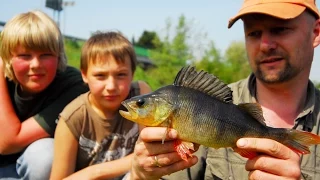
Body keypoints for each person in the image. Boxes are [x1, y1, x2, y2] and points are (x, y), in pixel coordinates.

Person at [127, 0, 320, 179]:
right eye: (253, 33)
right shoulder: (213, 103)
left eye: (280, 29)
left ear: (316, 32)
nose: (265, 45)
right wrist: (138, 175)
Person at [50, 31, 152, 180]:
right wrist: (95, 173)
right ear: (84, 75)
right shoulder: (72, 118)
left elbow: (150, 153)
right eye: (100, 76)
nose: (111, 86)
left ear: (133, 74)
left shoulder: (140, 96)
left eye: (121, 75)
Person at [0, 10, 89, 180]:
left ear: (58, 55)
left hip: (34, 169)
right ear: (8, 58)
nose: (35, 65)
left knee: (45, 154)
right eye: (24, 56)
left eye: (45, 55)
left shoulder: (74, 86)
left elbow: (8, 143)